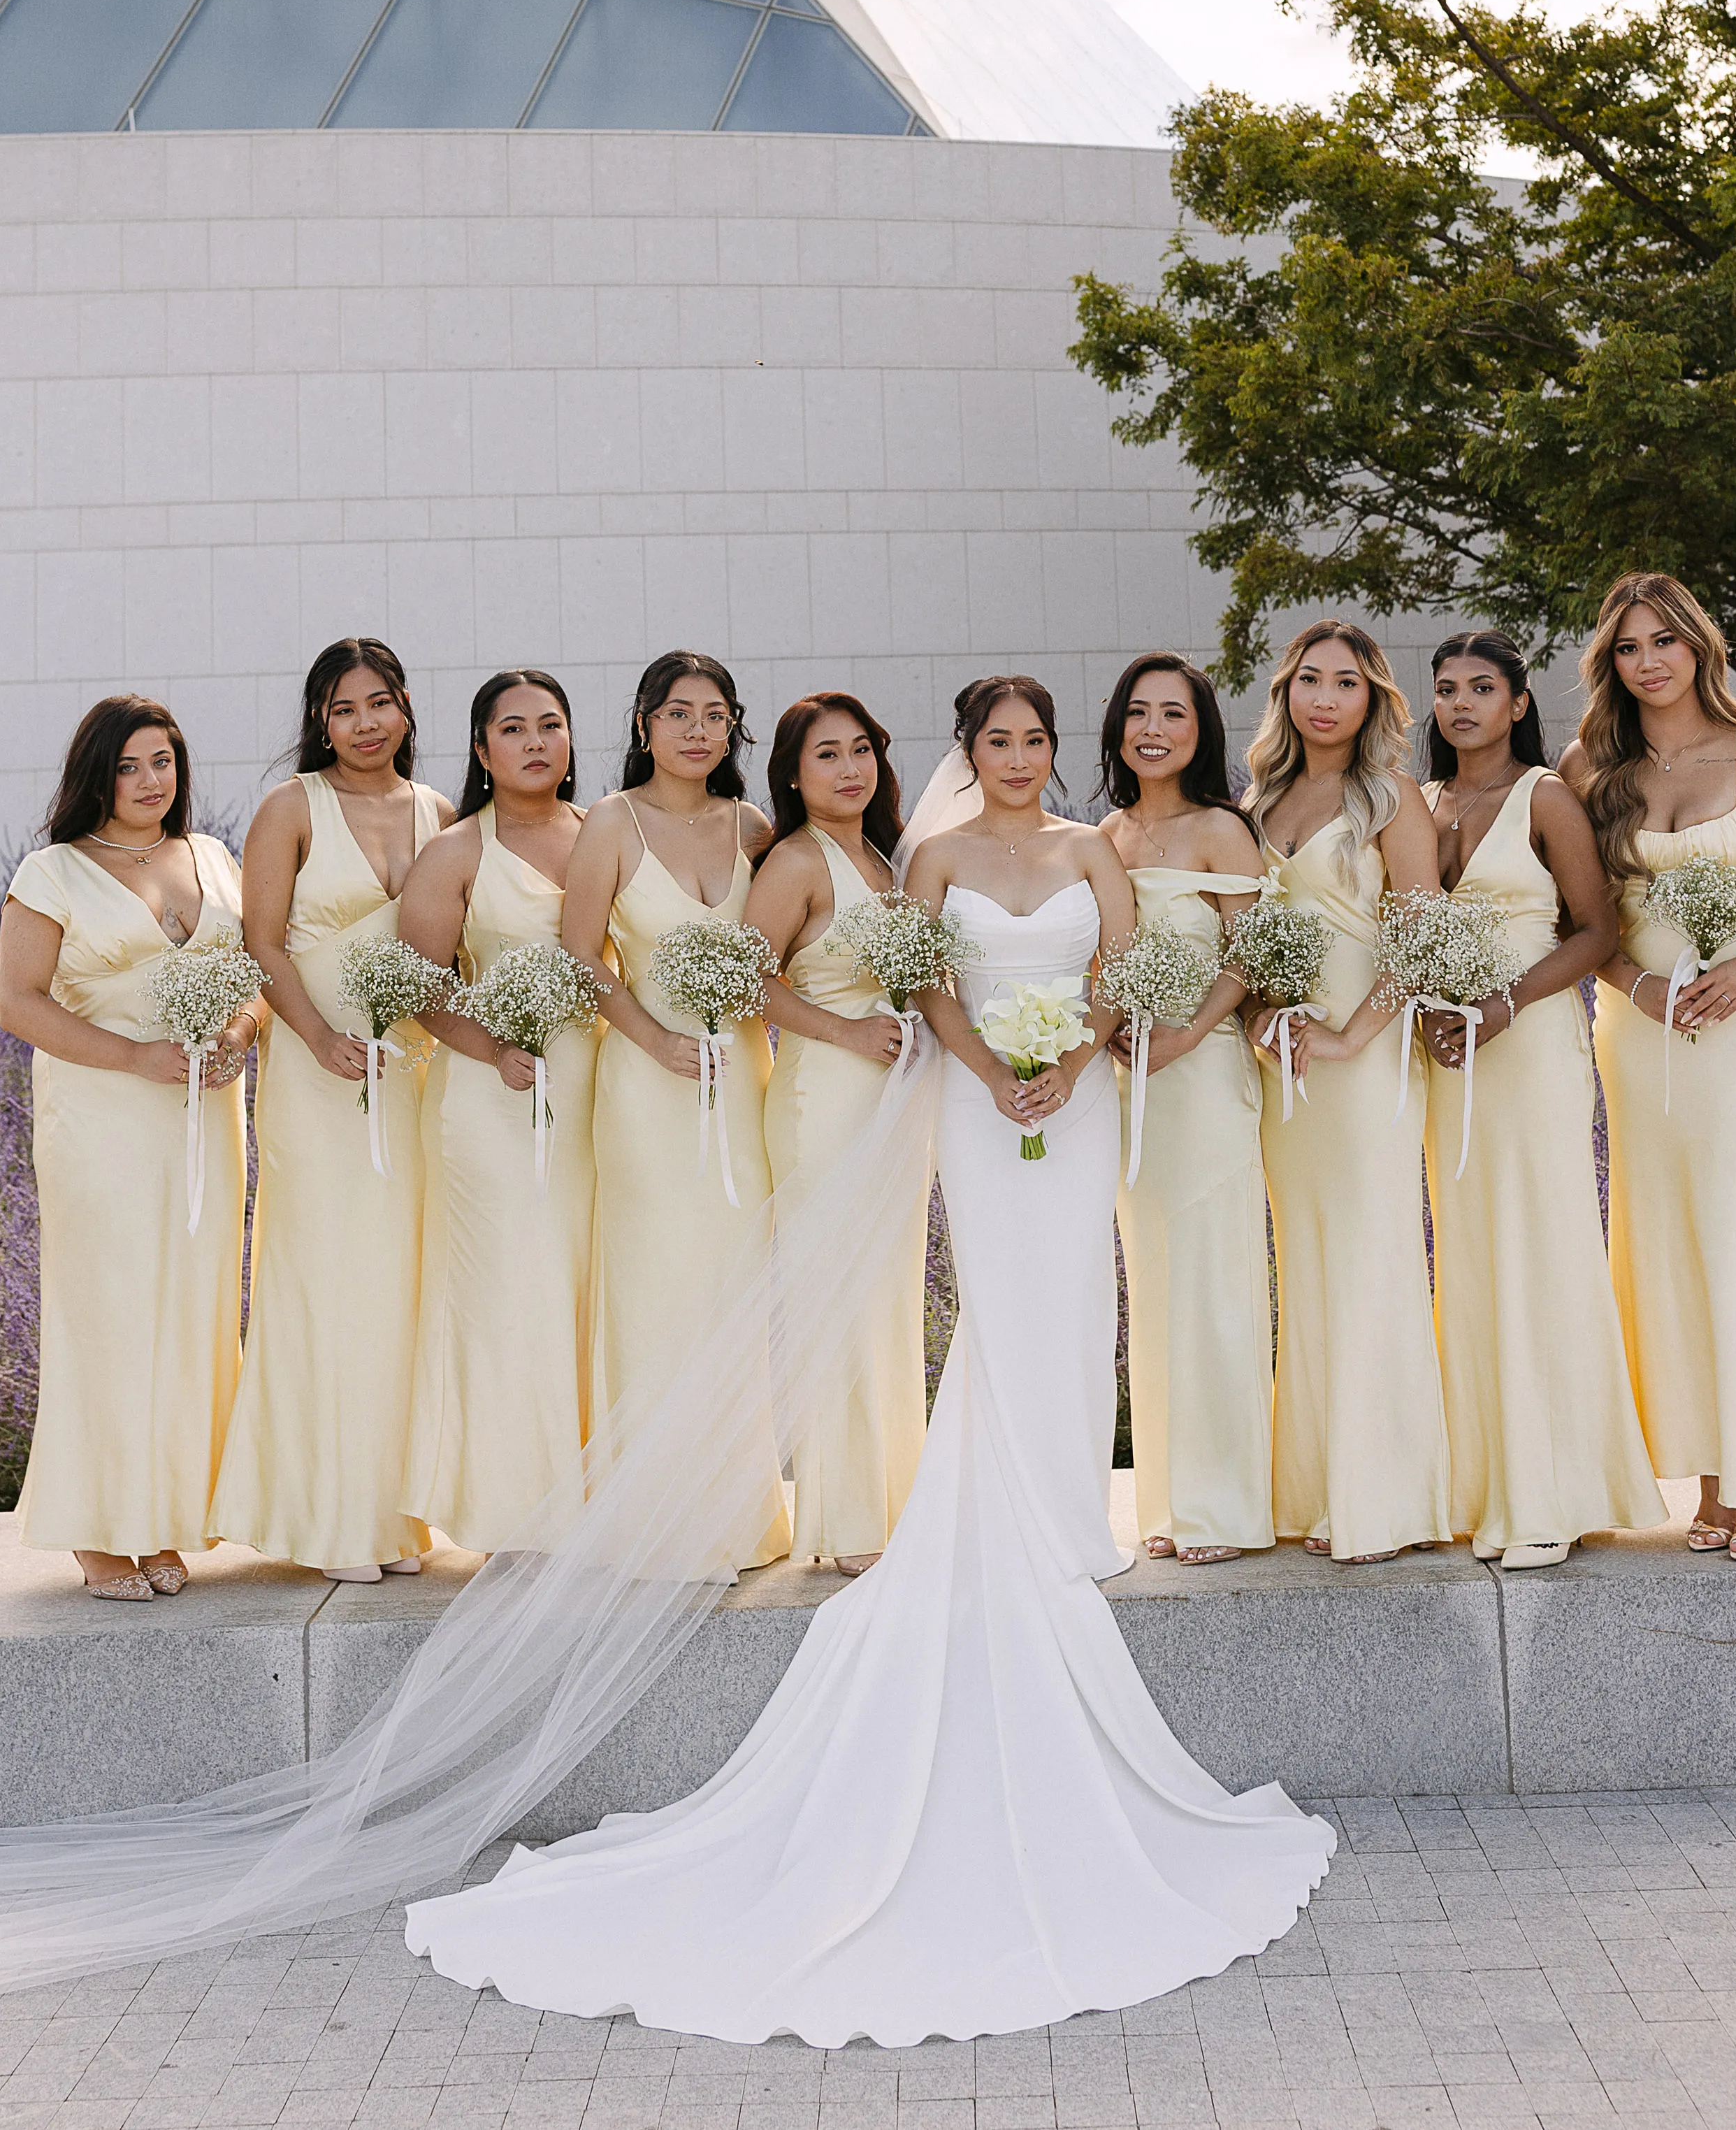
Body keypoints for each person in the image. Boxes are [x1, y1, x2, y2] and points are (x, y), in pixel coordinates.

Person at [403, 672, 1333, 2039]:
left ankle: (1066, 1508)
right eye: (994, 741)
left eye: (1033, 738)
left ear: (1046, 752)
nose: (1016, 756)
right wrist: (977, 1057)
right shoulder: (925, 863)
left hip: (1067, 1094)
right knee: (1000, 1297)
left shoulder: (1069, 853)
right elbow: (915, 984)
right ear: (966, 757)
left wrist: (1070, 1054)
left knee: (1076, 1294)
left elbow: (1115, 969)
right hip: (962, 1096)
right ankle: (949, 1499)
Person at [1561, 573, 1736, 1561]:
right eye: (1629, 647)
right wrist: (1633, 987)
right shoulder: (1589, 767)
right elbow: (1583, 921)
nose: (1649, 661)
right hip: (1634, 1028)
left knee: (1731, 1227)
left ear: (1697, 649)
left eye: (1664, 641)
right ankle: (1712, 1481)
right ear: (1613, 664)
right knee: (1658, 1237)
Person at [0, 698, 254, 1602]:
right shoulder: (52, 872)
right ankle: (98, 1529)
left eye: (164, 762)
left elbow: (255, 975)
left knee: (191, 1308)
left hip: (203, 1123)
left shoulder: (215, 859)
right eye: (130, 766)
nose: (151, 782)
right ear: (96, 776)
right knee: (106, 1311)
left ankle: (160, 1515)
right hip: (102, 1119)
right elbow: (20, 1003)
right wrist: (138, 1057)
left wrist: (237, 1032)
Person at [207, 640, 453, 1580]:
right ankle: (328, 1520)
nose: (366, 723)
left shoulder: (436, 813)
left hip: (412, 1074)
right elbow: (262, 943)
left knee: (400, 1287)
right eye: (345, 708)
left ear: (404, 710)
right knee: (327, 1284)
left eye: (382, 702)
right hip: (318, 1076)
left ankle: (391, 1517)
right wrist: (314, 1039)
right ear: (320, 721)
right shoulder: (289, 810)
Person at [1417, 632, 1663, 1566]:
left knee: (1541, 1248)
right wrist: (1433, 1013)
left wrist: (1502, 1004)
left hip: (1528, 1047)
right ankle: (1483, 1488)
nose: (1462, 705)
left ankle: (1551, 1497)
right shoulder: (1422, 802)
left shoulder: (1544, 798)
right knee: (1471, 1258)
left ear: (1518, 703)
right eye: (1445, 690)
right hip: (1448, 1057)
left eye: (1482, 688)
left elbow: (1596, 930)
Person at [560, 652, 786, 1575]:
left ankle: (736, 1514)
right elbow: (581, 957)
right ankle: (653, 1515)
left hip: (739, 1082)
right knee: (653, 1286)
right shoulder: (611, 824)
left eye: (715, 714)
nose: (698, 730)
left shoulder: (755, 828)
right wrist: (651, 1040)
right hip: (646, 1088)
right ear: (644, 722)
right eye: (678, 713)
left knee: (730, 1286)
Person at [1242, 620, 1451, 1562]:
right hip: (1282, 1070)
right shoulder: (1257, 801)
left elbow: (1419, 933)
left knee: (1370, 1259)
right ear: (1285, 693)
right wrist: (1261, 1017)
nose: (1324, 698)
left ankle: (1384, 1498)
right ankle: (1314, 1490)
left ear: (1372, 700)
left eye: (1346, 683)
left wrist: (1351, 1034)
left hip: (1360, 1064)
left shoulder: (1388, 798)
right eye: (1308, 681)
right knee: (1308, 1263)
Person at [397, 671, 596, 1555]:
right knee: (511, 1290)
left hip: (594, 1094)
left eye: (550, 726)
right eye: (512, 729)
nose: (534, 743)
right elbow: (419, 985)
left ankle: (591, 1494)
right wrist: (495, 1048)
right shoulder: (456, 854)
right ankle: (515, 1512)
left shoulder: (605, 835)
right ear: (481, 751)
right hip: (491, 1096)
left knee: (583, 1287)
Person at [1094, 653, 1271, 1564]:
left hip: (1201, 1080)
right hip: (1130, 1092)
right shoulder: (1105, 835)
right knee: (1157, 1287)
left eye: (1174, 713)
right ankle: (1168, 1502)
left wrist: (1182, 1035)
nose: (1153, 729)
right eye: (1138, 712)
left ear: (1200, 730)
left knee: (1215, 1288)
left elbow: (1248, 960)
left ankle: (1225, 1509)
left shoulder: (1220, 830)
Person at [747, 693, 923, 1573]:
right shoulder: (797, 862)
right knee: (838, 1304)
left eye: (862, 750)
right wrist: (844, 1030)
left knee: (882, 1300)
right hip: (823, 1095)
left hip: (886, 1108)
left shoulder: (883, 862)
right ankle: (846, 1520)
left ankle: (890, 1505)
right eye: (827, 755)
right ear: (791, 772)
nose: (850, 768)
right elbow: (745, 978)